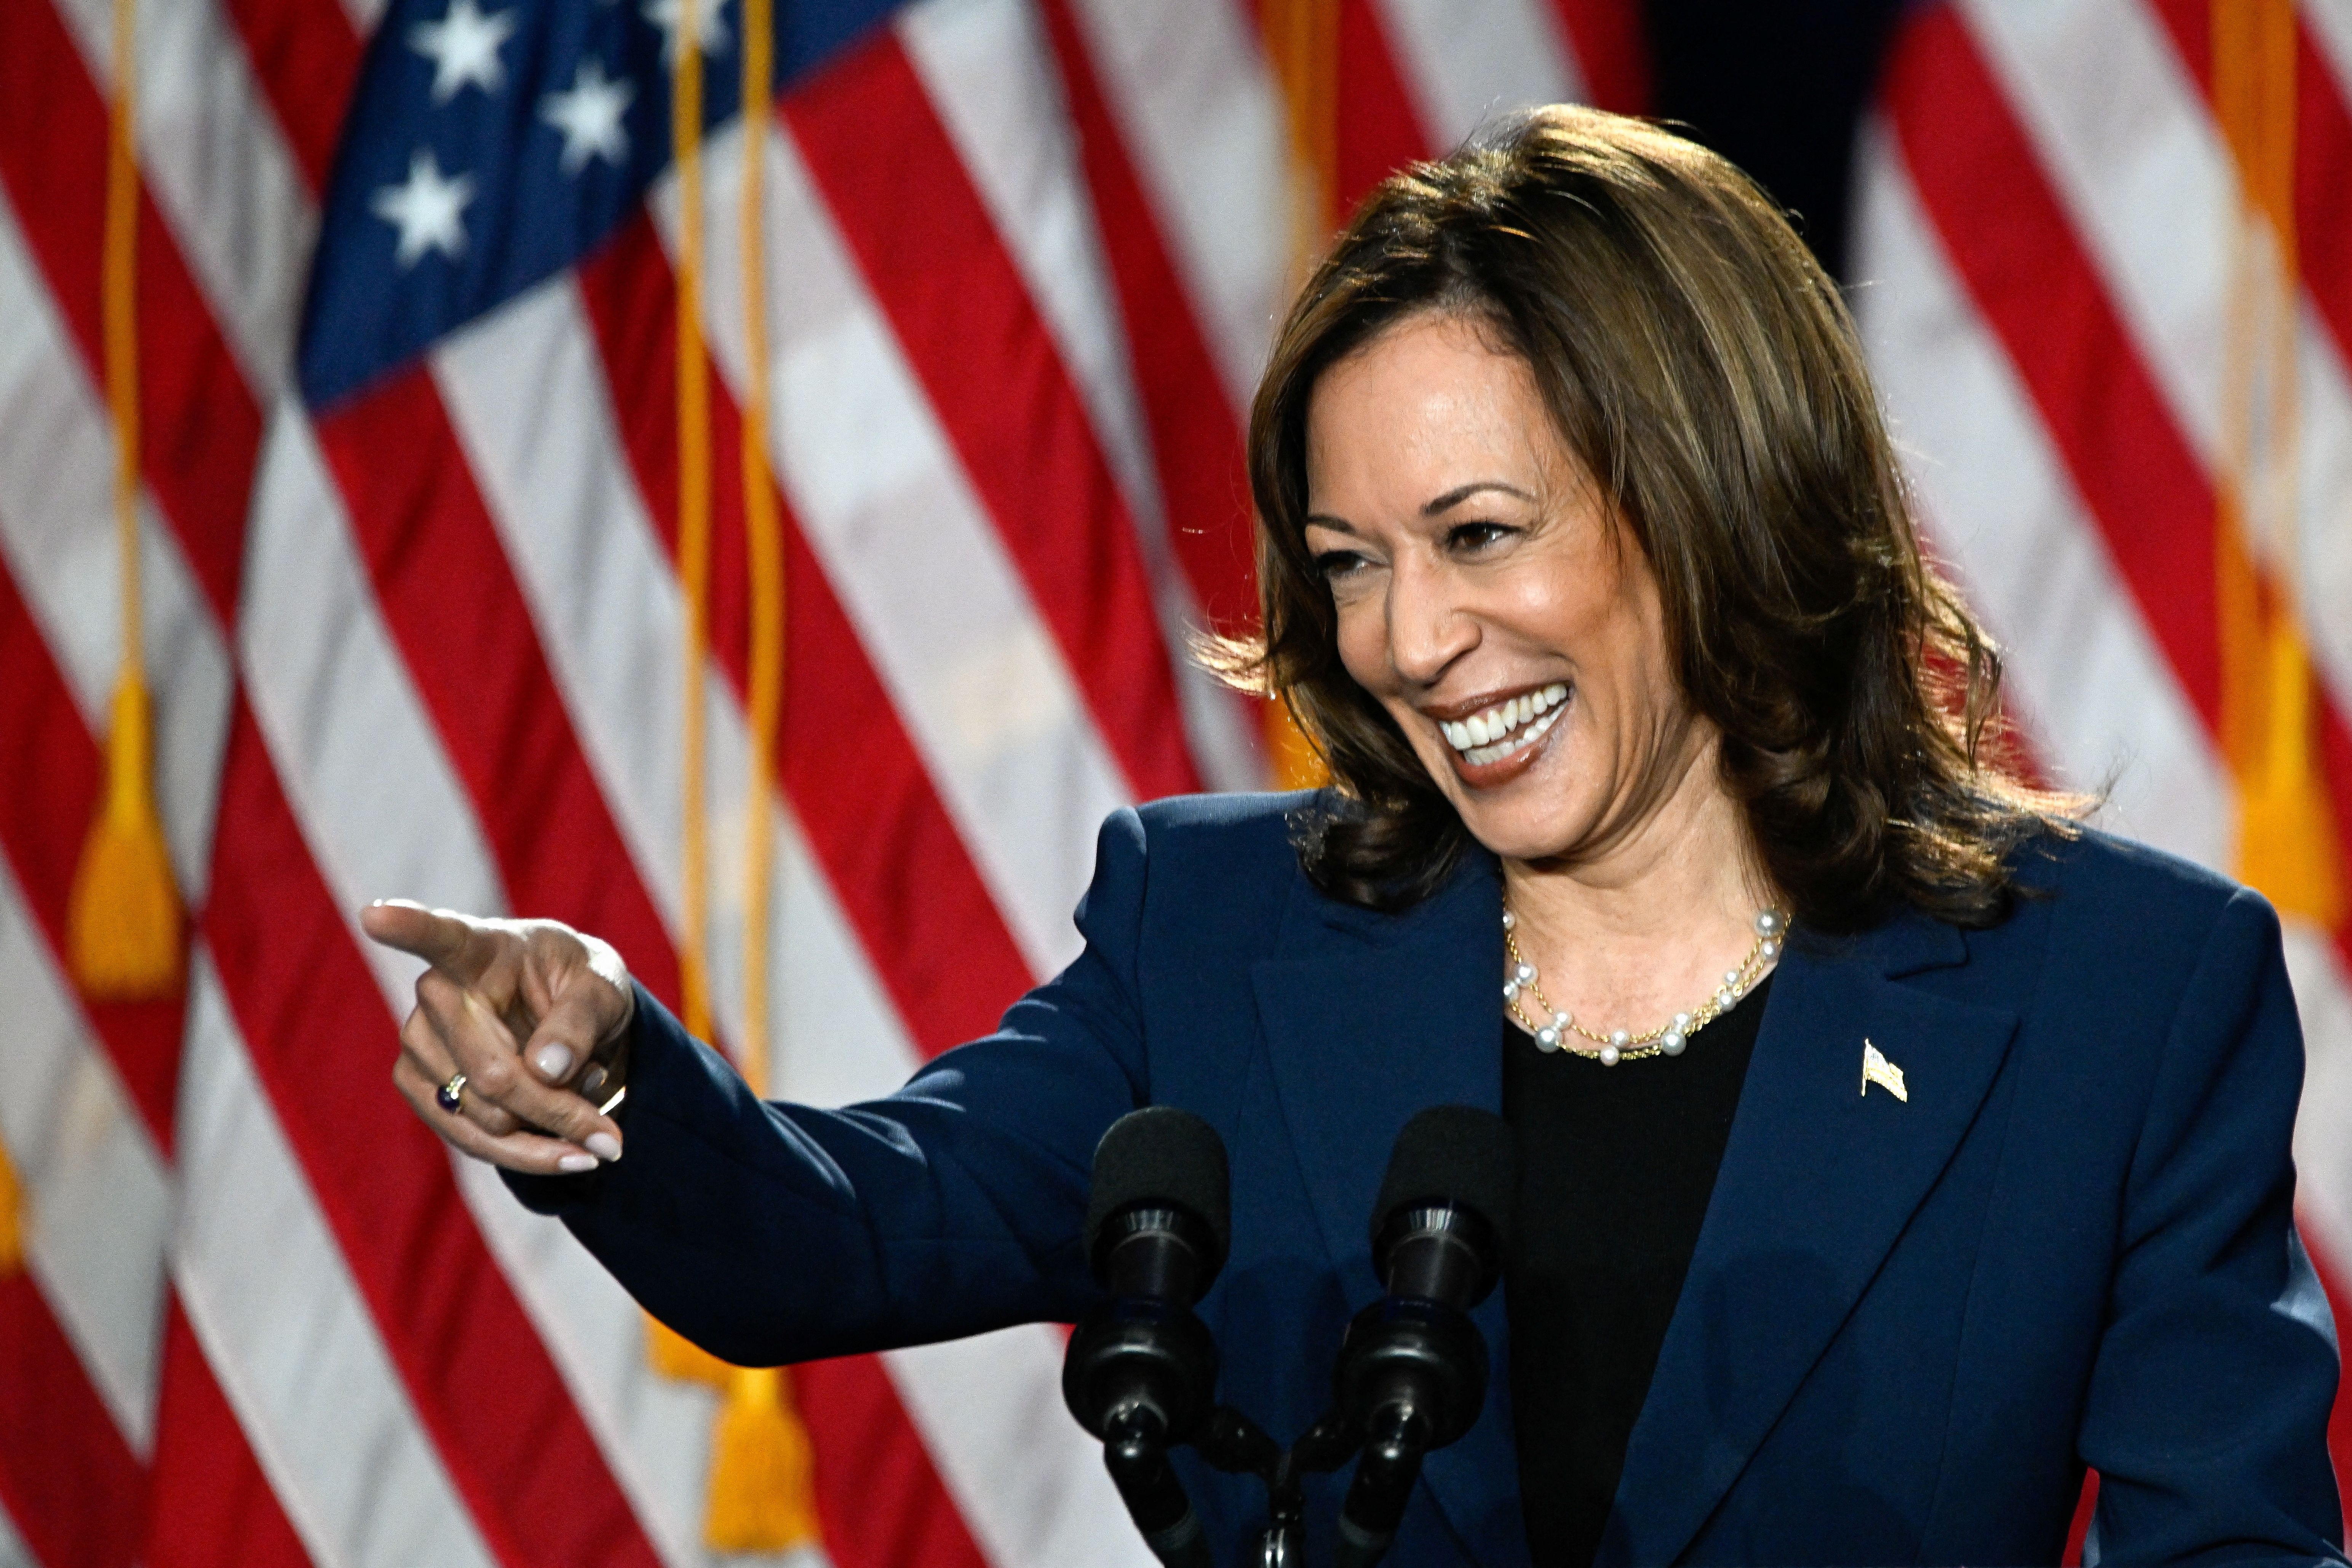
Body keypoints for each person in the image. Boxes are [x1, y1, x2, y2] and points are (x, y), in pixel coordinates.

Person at [367, 106, 2345, 1565]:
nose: (1405, 640)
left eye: (1483, 536)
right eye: (1349, 564)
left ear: (1718, 494)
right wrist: (614, 1068)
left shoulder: (2118, 996)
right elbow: (838, 1231)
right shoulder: (1223, 933)